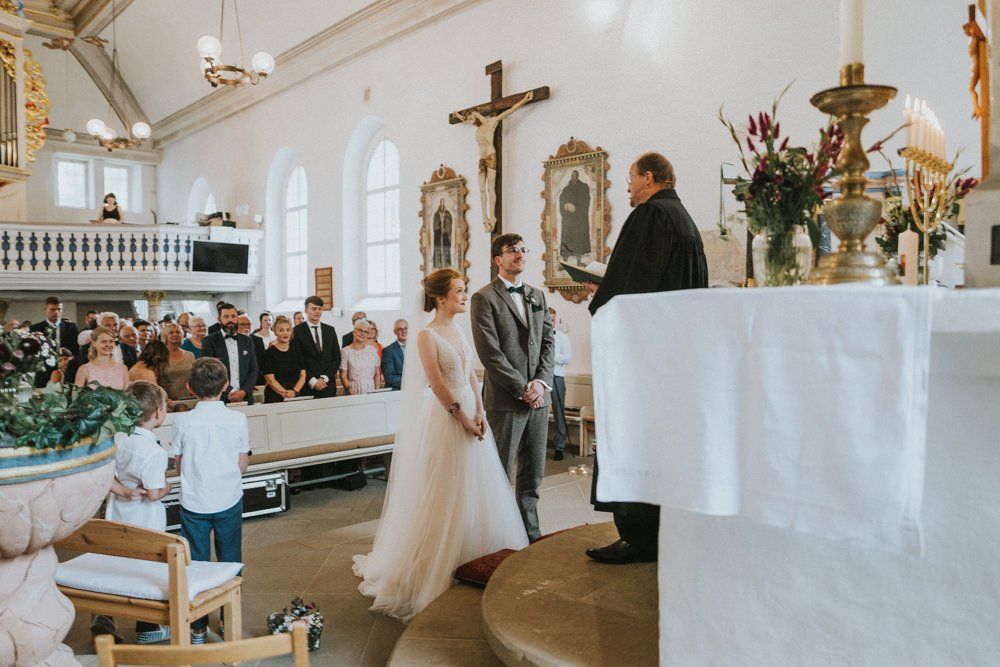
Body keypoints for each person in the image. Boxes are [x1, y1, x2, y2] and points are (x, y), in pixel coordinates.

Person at [353, 268, 528, 621]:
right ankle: (437, 564)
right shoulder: (426, 336)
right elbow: (437, 385)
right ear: (440, 298)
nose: (465, 296)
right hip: (447, 418)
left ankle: (476, 554)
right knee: (445, 490)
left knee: (477, 489)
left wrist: (479, 413)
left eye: (464, 290)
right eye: (459, 291)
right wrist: (462, 418)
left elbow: (471, 377)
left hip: (472, 413)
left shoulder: (459, 330)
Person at [582, 151, 708, 565]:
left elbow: (628, 286)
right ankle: (662, 530)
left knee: (633, 438)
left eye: (631, 178)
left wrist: (597, 296)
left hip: (642, 358)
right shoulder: (685, 221)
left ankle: (638, 536)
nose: (628, 187)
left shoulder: (650, 216)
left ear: (649, 177)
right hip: (675, 355)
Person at [470, 234, 554, 542]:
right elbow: (490, 352)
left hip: (538, 398)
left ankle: (530, 532)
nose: (519, 255)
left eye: (522, 250)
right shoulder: (484, 298)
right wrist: (522, 388)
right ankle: (499, 536)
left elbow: (547, 342)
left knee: (533, 473)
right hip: (507, 399)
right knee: (501, 472)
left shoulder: (537, 295)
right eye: (512, 251)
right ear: (497, 260)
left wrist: (540, 383)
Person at [172, 357, 250, 644]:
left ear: (190, 388)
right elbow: (242, 465)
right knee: (230, 558)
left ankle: (198, 627)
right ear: (226, 386)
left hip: (194, 501)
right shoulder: (237, 418)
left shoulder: (182, 420)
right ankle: (230, 620)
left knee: (197, 563)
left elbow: (179, 466)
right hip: (228, 497)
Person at [95, 381, 172, 644]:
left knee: (117, 565)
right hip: (145, 519)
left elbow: (103, 473)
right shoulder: (153, 452)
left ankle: (105, 618)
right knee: (148, 570)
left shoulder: (117, 437)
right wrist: (167, 486)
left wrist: (124, 491)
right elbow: (153, 493)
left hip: (118, 511)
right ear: (159, 413)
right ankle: (148, 626)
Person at [200, 303, 258, 405]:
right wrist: (228, 393)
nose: (230, 320)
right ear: (219, 319)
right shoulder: (209, 341)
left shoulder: (247, 340)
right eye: (226, 316)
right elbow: (209, 373)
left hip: (245, 397)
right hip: (219, 398)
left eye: (233, 316)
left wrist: (244, 391)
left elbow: (253, 370)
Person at [291, 296, 340, 399]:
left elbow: (336, 358)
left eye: (320, 309)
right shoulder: (297, 331)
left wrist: (324, 378)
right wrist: (313, 381)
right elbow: (297, 360)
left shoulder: (330, 330)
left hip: (328, 385)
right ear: (306, 310)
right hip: (307, 386)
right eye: (314, 309)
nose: (317, 311)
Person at [30, 296, 80, 387]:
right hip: (44, 372)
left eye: (59, 309)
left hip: (67, 372)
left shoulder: (71, 327)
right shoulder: (36, 329)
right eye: (52, 309)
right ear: (45, 309)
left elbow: (76, 351)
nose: (56, 312)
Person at [261, 316, 306, 403]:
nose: (285, 333)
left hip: (295, 393)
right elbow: (270, 380)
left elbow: (303, 375)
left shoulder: (297, 351)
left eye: (288, 330)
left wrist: (294, 391)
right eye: (281, 330)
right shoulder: (268, 353)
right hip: (275, 395)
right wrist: (284, 393)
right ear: (275, 332)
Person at [548, 307, 572, 461]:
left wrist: (550, 356)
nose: (551, 322)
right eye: (548, 319)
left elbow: (567, 358)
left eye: (552, 319)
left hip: (557, 377)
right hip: (540, 378)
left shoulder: (563, 338)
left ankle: (559, 447)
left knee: (558, 412)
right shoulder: (537, 335)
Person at [339, 319, 381, 395]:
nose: (363, 333)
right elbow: (343, 375)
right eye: (360, 330)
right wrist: (351, 392)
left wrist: (377, 390)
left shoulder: (372, 350)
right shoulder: (345, 351)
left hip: (370, 389)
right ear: (354, 332)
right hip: (353, 390)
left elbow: (377, 373)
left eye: (366, 332)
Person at [559, 169, 592, 264]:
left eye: (576, 175)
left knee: (579, 240)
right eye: (573, 175)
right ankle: (564, 262)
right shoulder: (566, 189)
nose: (574, 177)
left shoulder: (583, 187)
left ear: (578, 176)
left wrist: (576, 208)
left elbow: (586, 201)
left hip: (579, 219)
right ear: (571, 176)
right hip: (568, 219)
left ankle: (579, 261)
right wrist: (565, 205)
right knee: (567, 239)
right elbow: (562, 200)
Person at [159, 323, 196, 401]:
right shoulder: (159, 356)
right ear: (165, 336)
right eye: (171, 332)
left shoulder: (190, 355)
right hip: (166, 400)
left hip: (188, 399)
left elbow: (194, 378)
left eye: (178, 332)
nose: (175, 334)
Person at [380, 319, 407, 390]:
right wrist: (411, 382)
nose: (403, 331)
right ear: (395, 332)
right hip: (398, 392)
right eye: (400, 329)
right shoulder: (388, 351)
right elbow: (390, 378)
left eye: (406, 328)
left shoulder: (417, 348)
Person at [432, 198, 453, 267]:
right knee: (438, 248)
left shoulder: (447, 213)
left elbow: (449, 222)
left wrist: (445, 229)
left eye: (443, 202)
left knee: (446, 248)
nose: (442, 203)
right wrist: (439, 229)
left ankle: (446, 263)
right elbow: (434, 223)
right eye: (441, 202)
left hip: (445, 233)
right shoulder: (436, 214)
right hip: (438, 233)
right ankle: (438, 264)